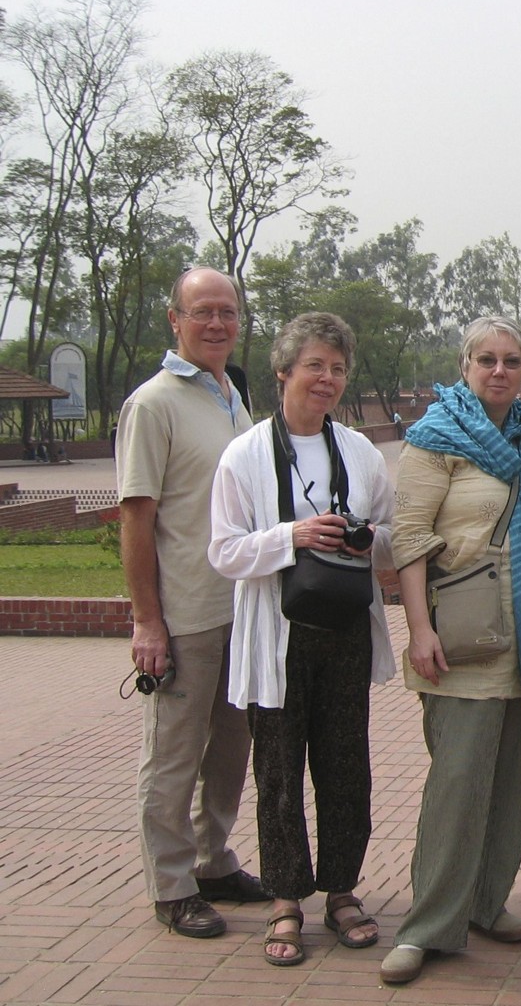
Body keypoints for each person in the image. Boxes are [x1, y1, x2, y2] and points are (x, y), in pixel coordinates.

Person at [380, 316, 521, 985]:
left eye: (512, 361)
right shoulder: (434, 440)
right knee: (457, 787)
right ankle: (428, 926)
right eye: (486, 360)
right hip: (462, 638)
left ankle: (488, 903)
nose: (499, 371)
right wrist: (419, 629)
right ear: (464, 366)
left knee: (515, 785)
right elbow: (408, 538)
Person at [207, 312, 394, 965]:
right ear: (283, 371)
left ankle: (341, 889)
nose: (327, 379)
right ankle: (286, 898)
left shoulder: (361, 452)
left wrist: (364, 536)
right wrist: (293, 535)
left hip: (343, 632)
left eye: (337, 368)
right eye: (315, 365)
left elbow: (393, 538)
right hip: (275, 636)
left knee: (346, 769)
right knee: (279, 774)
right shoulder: (246, 454)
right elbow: (225, 552)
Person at [116, 267, 270, 938]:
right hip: (185, 615)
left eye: (227, 312)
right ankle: (171, 884)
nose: (216, 324)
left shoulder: (229, 396)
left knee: (230, 750)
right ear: (173, 319)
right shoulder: (153, 404)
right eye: (202, 311)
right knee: (174, 754)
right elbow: (136, 518)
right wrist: (147, 619)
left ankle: (213, 860)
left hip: (240, 608)